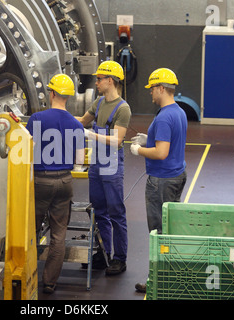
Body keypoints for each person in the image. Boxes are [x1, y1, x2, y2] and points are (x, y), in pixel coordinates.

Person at [26, 74, 85, 294]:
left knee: (30, 231)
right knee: (59, 235)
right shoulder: (76, 125)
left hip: (41, 181)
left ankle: (28, 275)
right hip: (65, 182)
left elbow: (27, 154)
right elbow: (79, 161)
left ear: (51, 93)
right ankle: (49, 282)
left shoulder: (36, 119)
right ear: (68, 97)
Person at [130, 68, 187, 292]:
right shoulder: (179, 111)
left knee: (158, 232)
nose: (151, 93)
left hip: (161, 181)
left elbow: (161, 153)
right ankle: (171, 274)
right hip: (177, 175)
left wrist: (138, 150)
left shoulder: (164, 116)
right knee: (170, 229)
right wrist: (149, 138)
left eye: (153, 89)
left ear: (162, 88)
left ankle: (157, 281)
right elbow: (170, 141)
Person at [77, 61, 132, 275]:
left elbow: (117, 140)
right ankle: (103, 253)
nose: (97, 82)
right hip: (97, 165)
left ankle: (120, 258)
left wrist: (91, 134)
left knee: (116, 212)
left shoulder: (123, 109)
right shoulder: (98, 103)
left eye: (100, 79)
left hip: (111, 166)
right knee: (98, 211)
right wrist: (59, 119)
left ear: (111, 81)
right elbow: (82, 121)